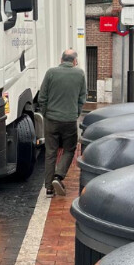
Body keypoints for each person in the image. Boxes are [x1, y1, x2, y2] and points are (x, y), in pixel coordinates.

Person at [35, 48, 87, 197]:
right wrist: (75, 113)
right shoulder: (80, 74)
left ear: (61, 60)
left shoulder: (51, 73)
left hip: (51, 119)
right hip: (69, 120)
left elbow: (42, 97)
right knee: (69, 149)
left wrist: (46, 114)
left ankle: (49, 188)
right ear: (75, 61)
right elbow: (81, 99)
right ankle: (59, 176)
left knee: (50, 152)